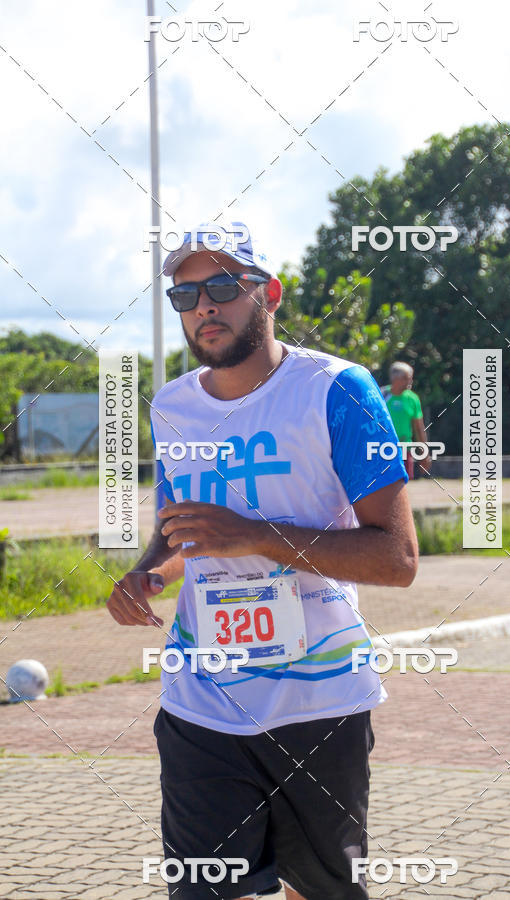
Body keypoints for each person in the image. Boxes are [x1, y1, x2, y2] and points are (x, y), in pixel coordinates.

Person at [107, 222, 418, 900]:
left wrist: (252, 534)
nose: (203, 308)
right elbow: (182, 532)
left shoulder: (338, 389)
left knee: (322, 892)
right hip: (202, 700)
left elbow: (396, 558)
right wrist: (150, 576)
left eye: (222, 287)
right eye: (184, 295)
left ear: (268, 293)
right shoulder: (174, 406)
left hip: (320, 701)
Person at [384, 361, 431, 478]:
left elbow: (419, 428)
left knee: (403, 485)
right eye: (406, 378)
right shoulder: (382, 395)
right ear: (395, 379)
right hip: (383, 449)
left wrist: (424, 453)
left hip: (405, 449)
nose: (410, 381)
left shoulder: (413, 398)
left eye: (410, 378)